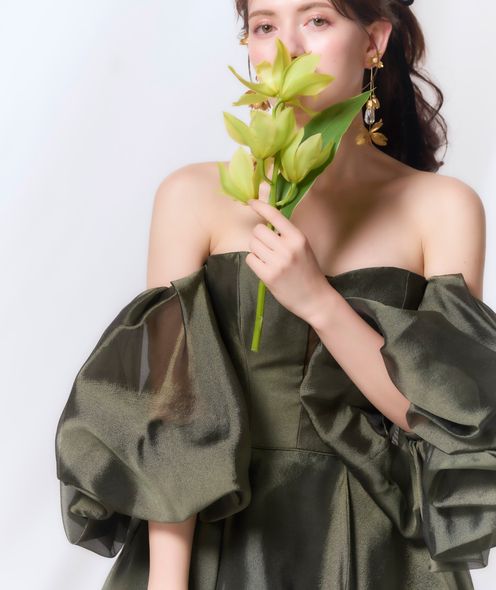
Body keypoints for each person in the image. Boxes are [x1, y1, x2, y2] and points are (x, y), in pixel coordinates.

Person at [55, 1, 496, 589]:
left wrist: (317, 301)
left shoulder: (442, 209)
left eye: (316, 20)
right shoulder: (193, 196)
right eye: (264, 26)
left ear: (375, 41)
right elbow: (169, 418)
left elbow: (446, 420)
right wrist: (167, 582)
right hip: (222, 539)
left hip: (379, 551)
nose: (286, 48)